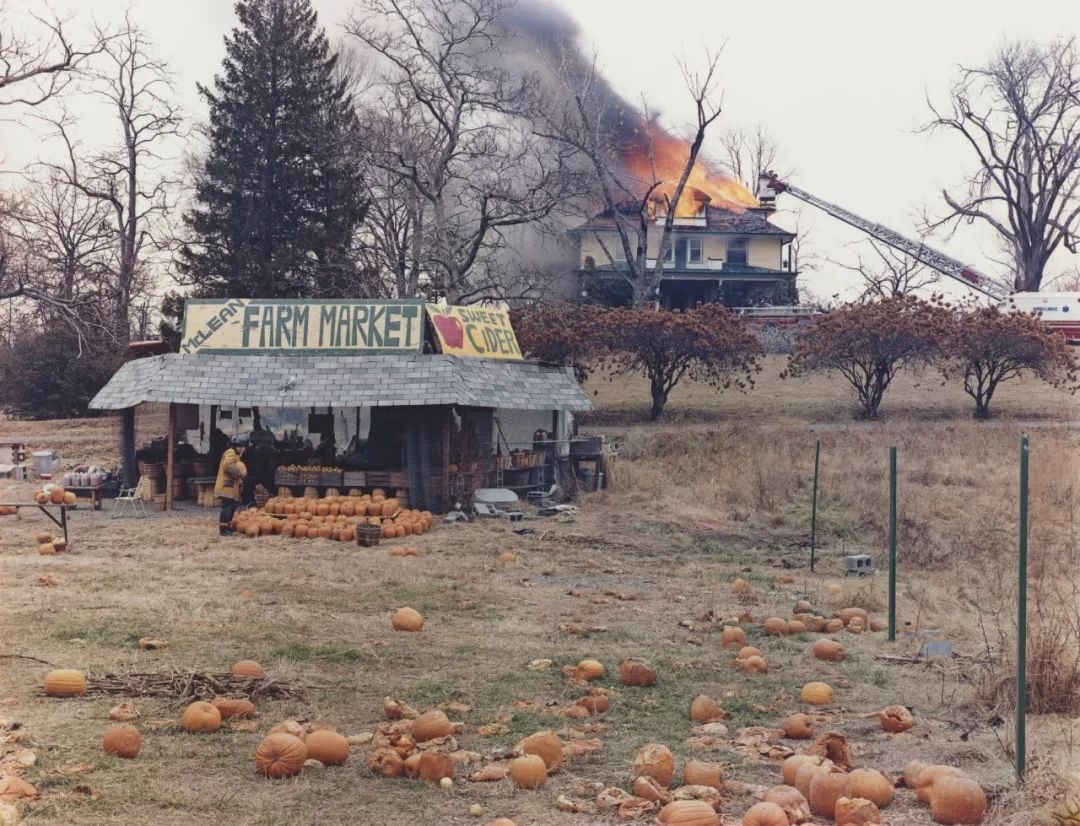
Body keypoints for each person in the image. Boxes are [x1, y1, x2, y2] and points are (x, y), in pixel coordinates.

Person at [215, 434, 249, 536]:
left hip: (231, 487)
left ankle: (228, 527)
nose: (245, 450)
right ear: (241, 446)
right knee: (226, 507)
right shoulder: (230, 452)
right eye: (244, 447)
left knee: (232, 506)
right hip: (226, 486)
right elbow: (228, 465)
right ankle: (223, 530)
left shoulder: (236, 455)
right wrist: (240, 473)